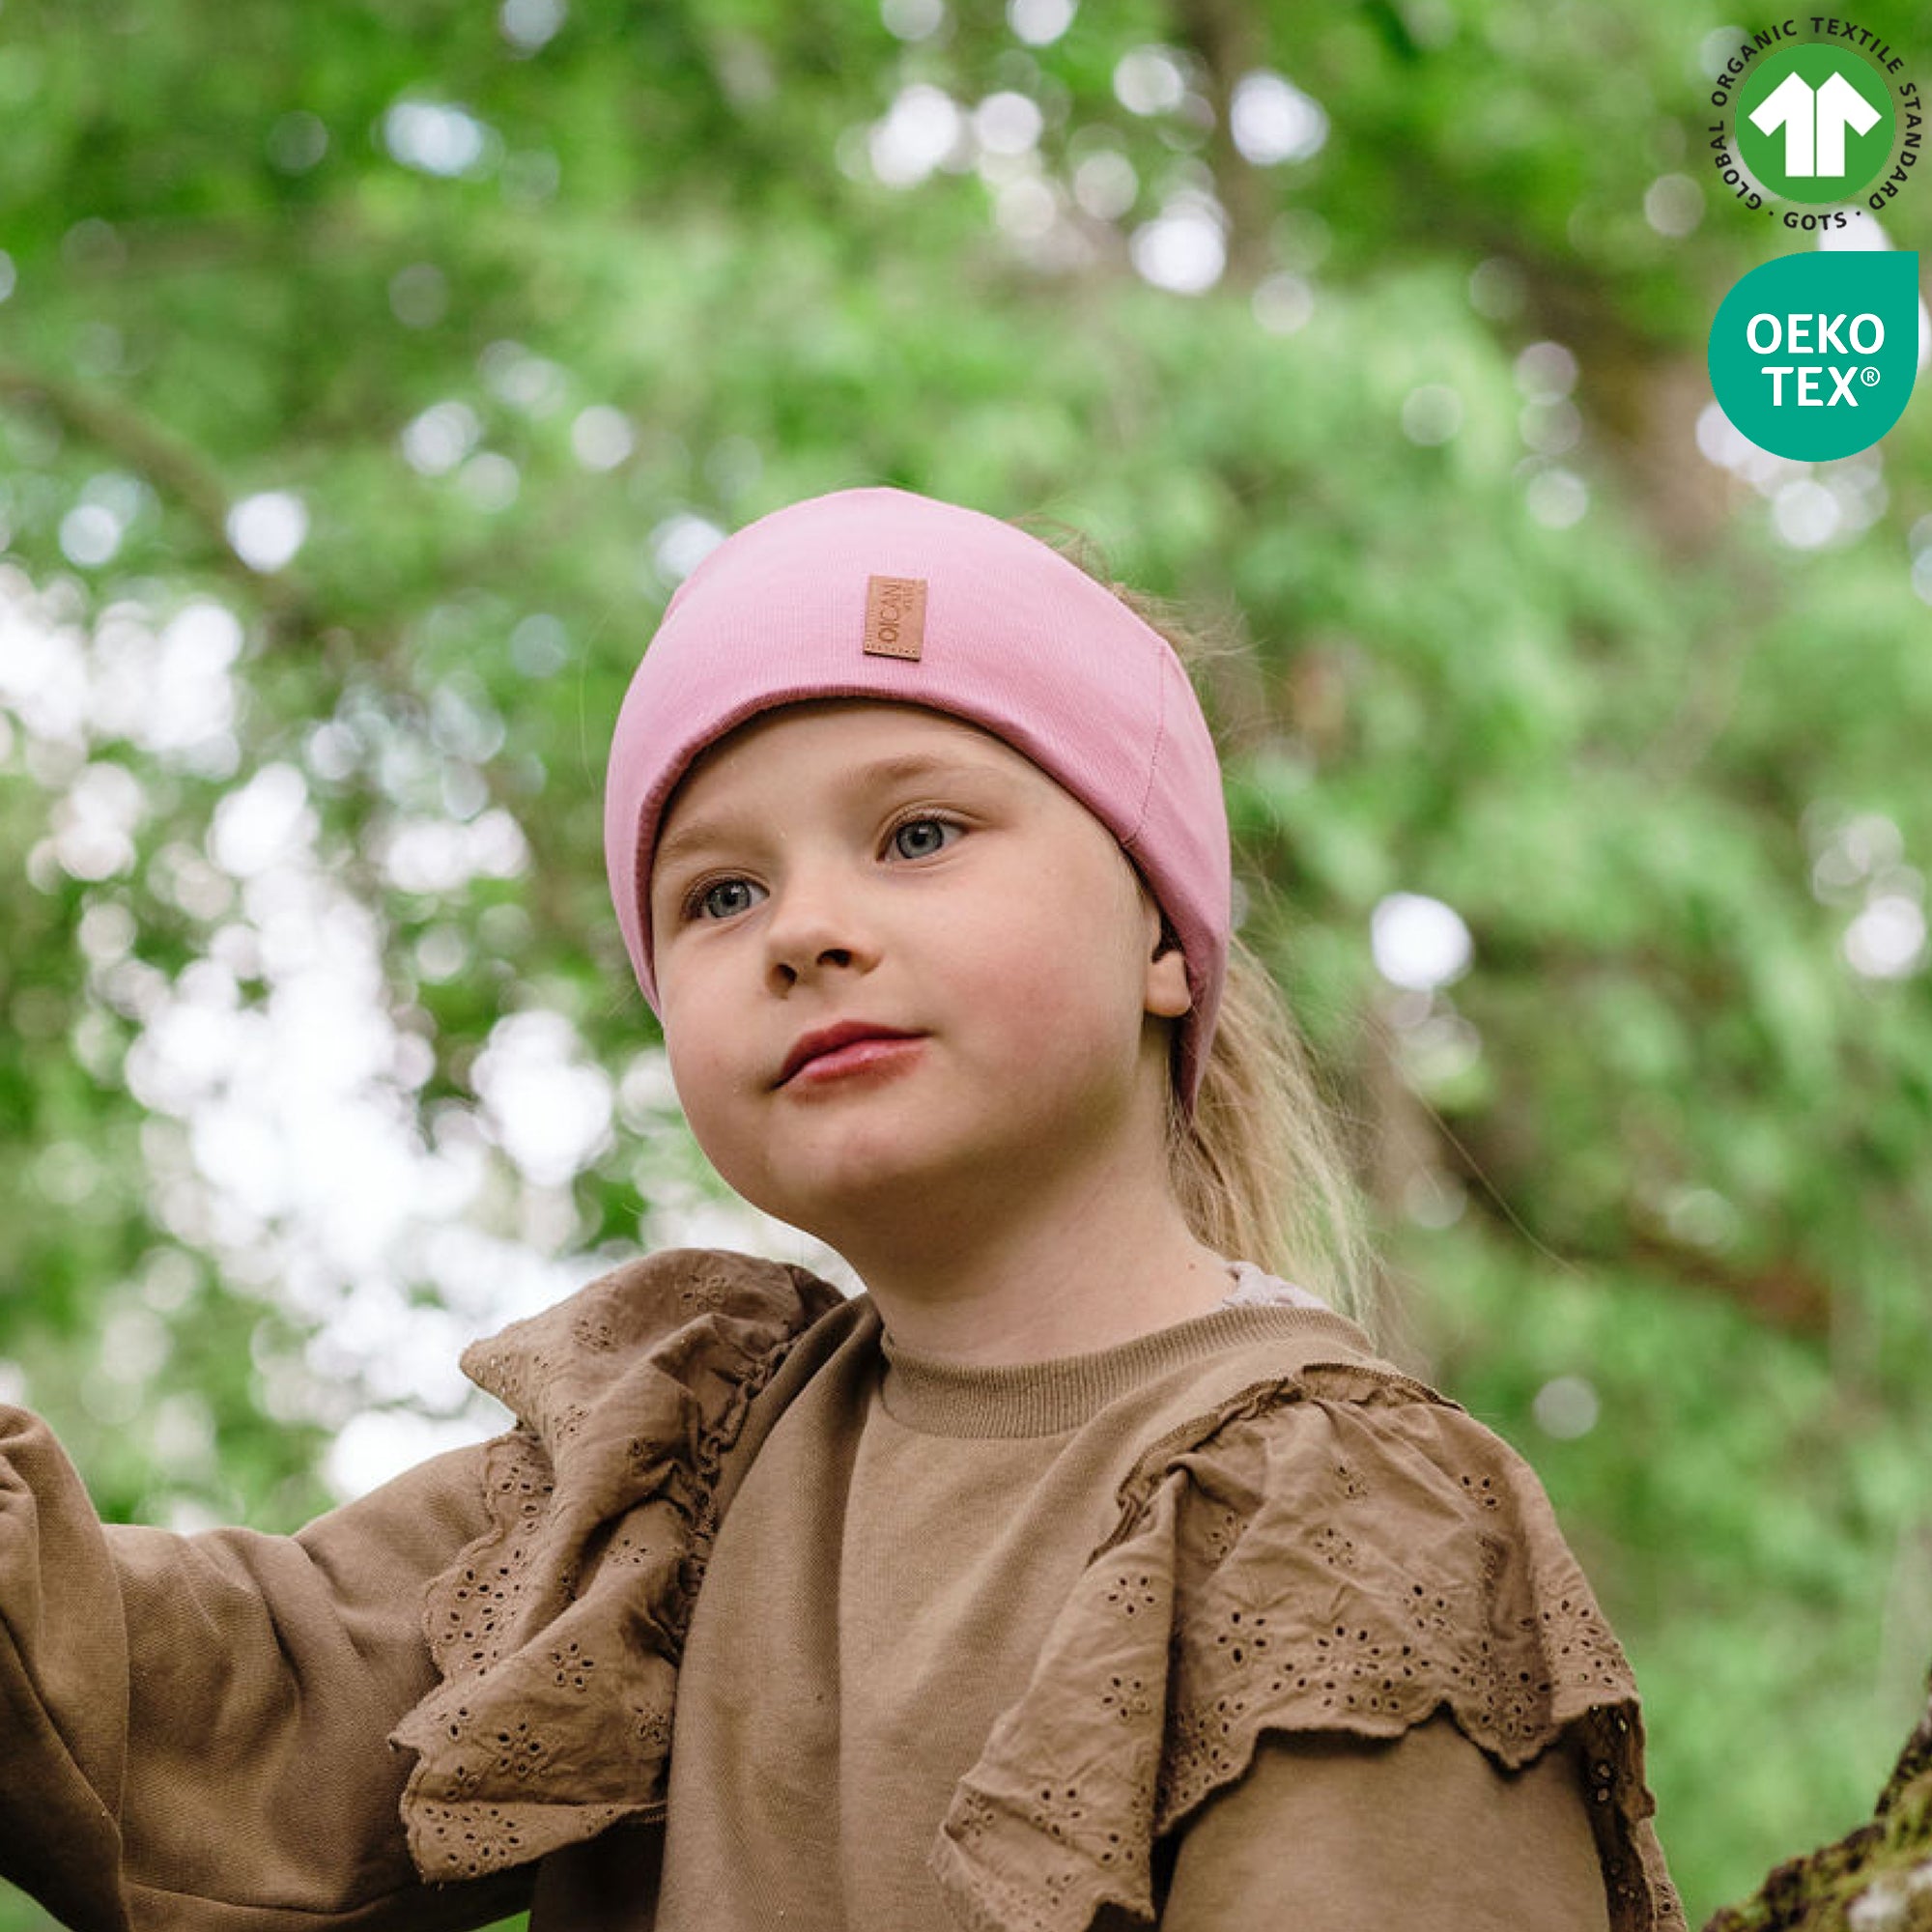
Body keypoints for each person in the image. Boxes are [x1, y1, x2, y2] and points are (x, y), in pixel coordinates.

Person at [0, 486, 1684, 1932]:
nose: (805, 928)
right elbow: (219, 1722)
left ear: (1163, 939)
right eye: (720, 892)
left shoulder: (1342, 1512)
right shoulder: (674, 1454)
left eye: (918, 833)